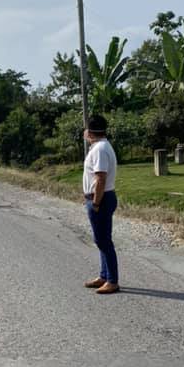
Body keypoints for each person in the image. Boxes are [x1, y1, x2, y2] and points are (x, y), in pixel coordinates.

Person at [83, 114, 120, 294]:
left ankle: (112, 280)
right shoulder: (100, 146)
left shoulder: (99, 149)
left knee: (103, 241)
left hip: (101, 199)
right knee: (102, 240)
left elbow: (100, 178)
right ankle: (104, 276)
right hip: (101, 198)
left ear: (90, 132)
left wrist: (96, 203)